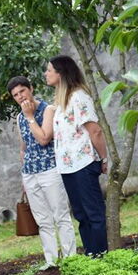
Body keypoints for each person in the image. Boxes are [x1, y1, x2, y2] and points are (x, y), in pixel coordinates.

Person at [7, 76, 77, 267]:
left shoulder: (48, 110)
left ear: (31, 88)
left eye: (22, 91)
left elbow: (44, 138)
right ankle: (51, 260)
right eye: (15, 95)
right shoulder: (20, 117)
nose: (20, 97)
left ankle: (71, 258)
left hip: (50, 169)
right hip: (30, 173)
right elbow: (24, 147)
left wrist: (30, 117)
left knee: (60, 215)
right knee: (42, 219)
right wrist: (24, 174)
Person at [45, 55, 108, 256]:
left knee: (94, 214)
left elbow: (95, 130)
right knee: (81, 215)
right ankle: (91, 256)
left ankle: (101, 258)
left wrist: (104, 158)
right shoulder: (62, 101)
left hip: (83, 163)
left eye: (49, 70)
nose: (46, 74)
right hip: (67, 167)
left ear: (61, 74)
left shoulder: (79, 97)